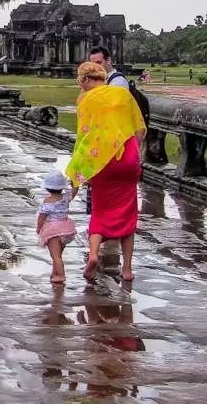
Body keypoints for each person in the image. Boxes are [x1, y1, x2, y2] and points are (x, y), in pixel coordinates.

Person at [66, 61, 145, 282]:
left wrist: (76, 172)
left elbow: (84, 137)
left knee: (100, 212)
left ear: (86, 80)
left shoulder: (86, 100)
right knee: (128, 214)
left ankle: (93, 255)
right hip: (128, 157)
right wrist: (133, 154)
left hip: (102, 161)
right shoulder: (123, 94)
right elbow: (139, 129)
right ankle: (127, 269)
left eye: (80, 82)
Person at [36, 171, 78, 284]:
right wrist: (76, 181)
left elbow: (41, 217)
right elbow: (74, 190)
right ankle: (55, 272)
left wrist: (39, 228)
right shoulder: (66, 197)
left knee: (55, 256)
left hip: (53, 232)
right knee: (58, 255)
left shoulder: (47, 201)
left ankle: (60, 275)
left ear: (47, 188)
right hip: (65, 230)